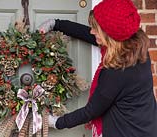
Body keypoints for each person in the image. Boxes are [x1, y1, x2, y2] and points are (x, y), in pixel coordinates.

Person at [38, 0, 157, 137]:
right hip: (147, 125)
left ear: (109, 36)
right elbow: (90, 35)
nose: (92, 31)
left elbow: (91, 111)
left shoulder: (117, 72)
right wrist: (57, 24)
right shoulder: (134, 48)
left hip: (127, 131)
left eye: (96, 28)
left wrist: (57, 122)